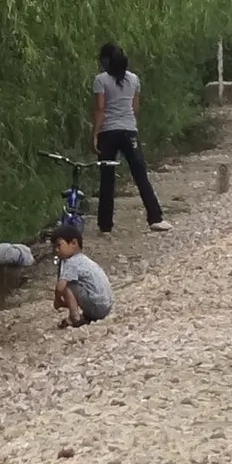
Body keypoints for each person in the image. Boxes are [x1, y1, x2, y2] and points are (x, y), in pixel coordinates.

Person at [91, 44, 173, 236]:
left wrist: (94, 134)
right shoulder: (134, 79)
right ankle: (155, 218)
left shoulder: (100, 80)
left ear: (105, 60)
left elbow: (100, 110)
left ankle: (105, 225)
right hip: (129, 131)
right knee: (140, 175)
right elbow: (135, 108)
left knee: (107, 178)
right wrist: (128, 123)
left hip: (108, 133)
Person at [50, 220, 114, 327]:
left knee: (68, 284)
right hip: (106, 306)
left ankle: (75, 317)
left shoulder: (72, 262)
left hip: (97, 306)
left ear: (74, 243)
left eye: (59, 245)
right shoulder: (83, 260)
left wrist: (57, 301)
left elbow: (60, 287)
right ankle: (86, 315)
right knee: (72, 282)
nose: (56, 250)